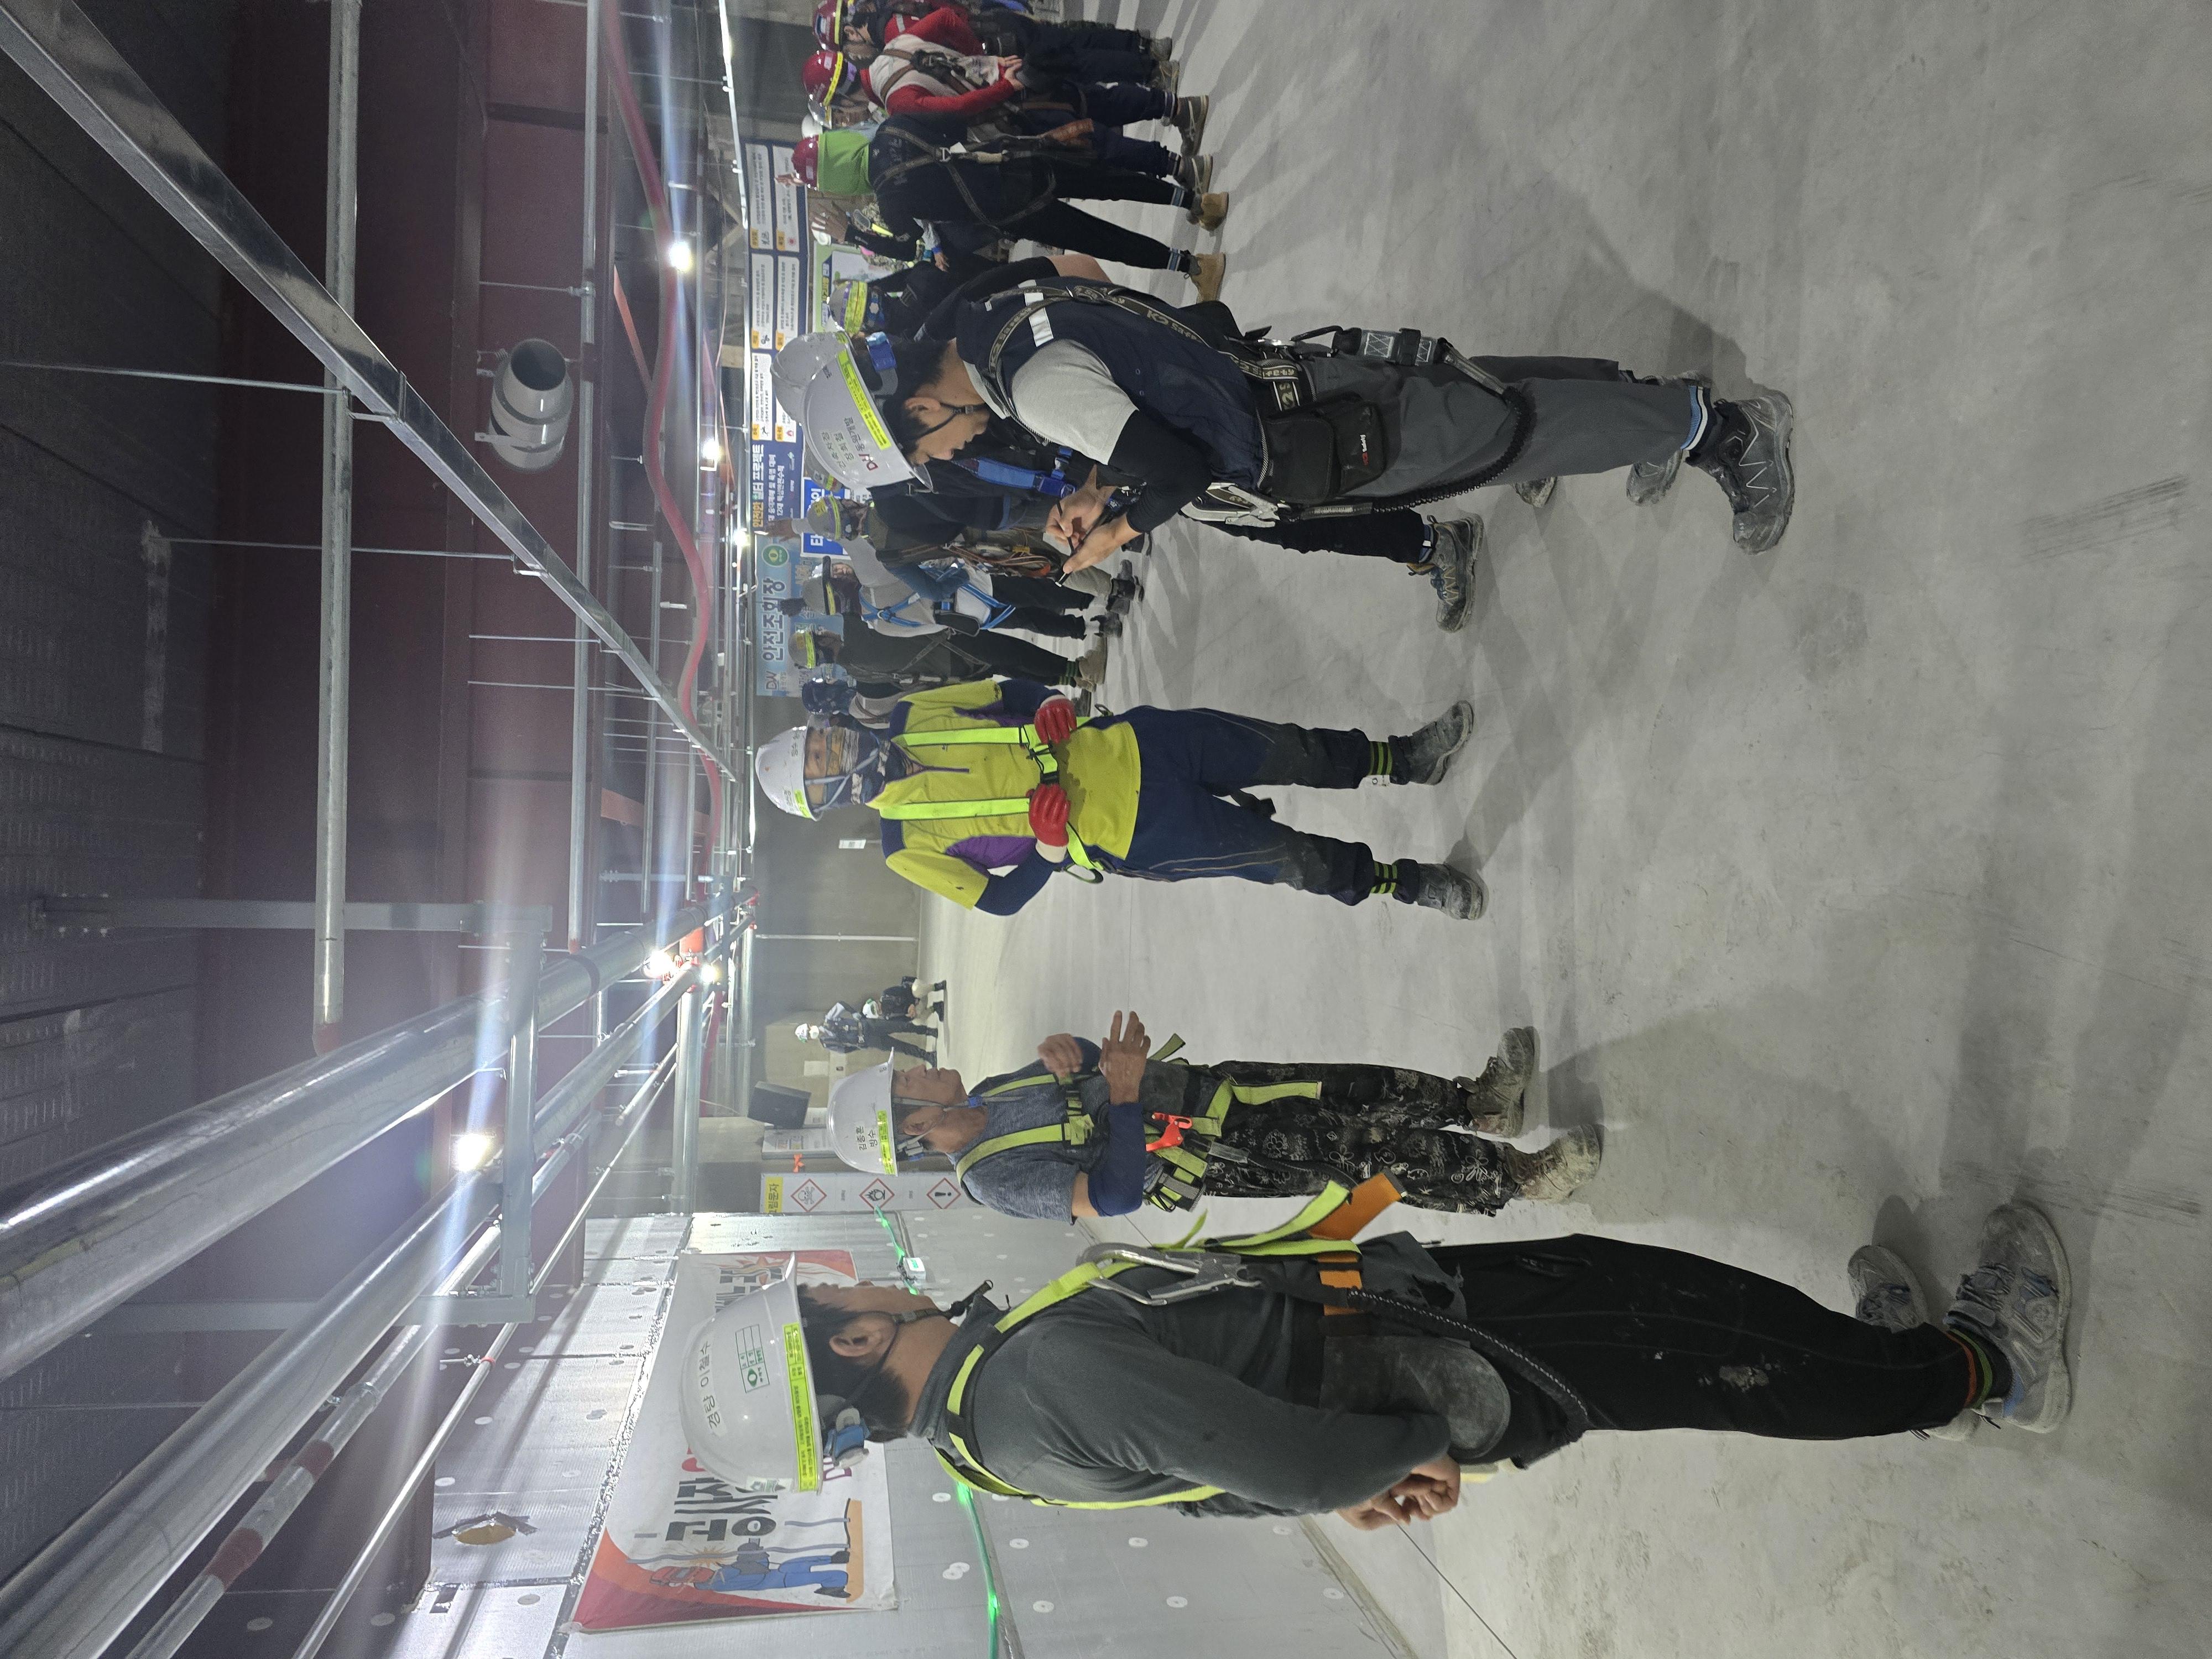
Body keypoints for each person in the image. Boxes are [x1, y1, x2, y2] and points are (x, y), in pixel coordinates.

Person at [790, 1198, 2074, 1517]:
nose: (862, 1280)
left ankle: (1882, 1358)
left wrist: (1357, 1475)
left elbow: (1196, 1480)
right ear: (855, 1340)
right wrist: (1380, 1454)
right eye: (841, 1295)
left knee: (1702, 1328)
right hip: (1458, 1354)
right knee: (1707, 1341)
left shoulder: (992, 1439)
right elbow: (1285, 1470)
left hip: (1412, 1332)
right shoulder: (1030, 1383)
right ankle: (1971, 1372)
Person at [753, 676, 1490, 919]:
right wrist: (1047, 851)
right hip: (1135, 831)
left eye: (819, 740)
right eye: (818, 762)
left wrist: (1051, 705)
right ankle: (1408, 883)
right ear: (824, 797)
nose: (831, 748)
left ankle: (1403, 759)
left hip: (1139, 743)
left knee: (1290, 749)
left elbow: (1009, 692)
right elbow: (998, 900)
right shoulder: (903, 846)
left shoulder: (916, 713)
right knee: (1292, 859)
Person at [826, 1009, 1600, 1218]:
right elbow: (1113, 1197)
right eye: (909, 1082)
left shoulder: (991, 1089)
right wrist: (1123, 1095)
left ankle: (1479, 1104)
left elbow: (1098, 1063)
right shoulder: (994, 1181)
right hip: (1217, 1154)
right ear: (913, 1127)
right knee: (1371, 1156)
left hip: (1212, 1089)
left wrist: (1084, 1052)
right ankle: (1521, 1178)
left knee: (1355, 1088)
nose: (921, 1068)